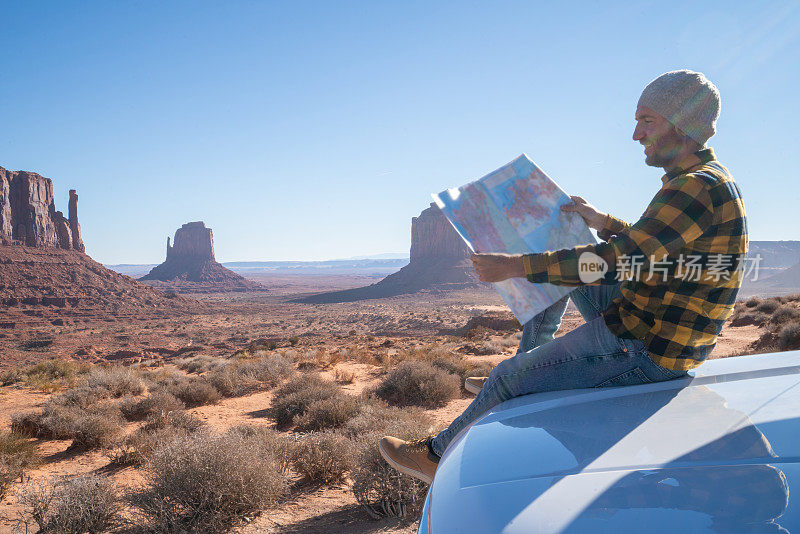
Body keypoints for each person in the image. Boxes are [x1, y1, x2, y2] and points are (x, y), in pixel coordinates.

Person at [378, 70, 749, 484]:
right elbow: (657, 247)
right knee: (566, 273)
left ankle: (435, 454)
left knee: (506, 375)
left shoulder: (692, 188)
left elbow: (611, 261)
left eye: (647, 120)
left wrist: (516, 266)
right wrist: (603, 220)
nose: (636, 135)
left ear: (682, 122)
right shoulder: (706, 182)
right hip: (658, 324)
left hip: (648, 347)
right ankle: (534, 367)